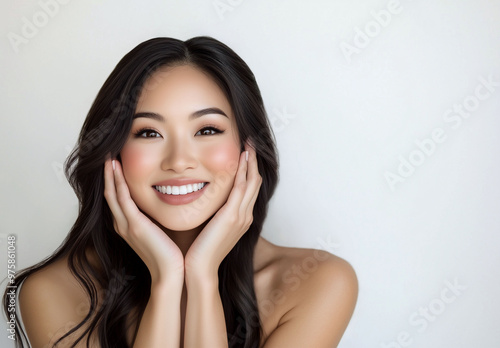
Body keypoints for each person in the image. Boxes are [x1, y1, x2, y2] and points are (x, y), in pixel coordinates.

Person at [3, 36, 358, 348]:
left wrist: (202, 276)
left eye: (206, 130)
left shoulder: (317, 282)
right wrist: (167, 280)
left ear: (248, 149)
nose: (179, 161)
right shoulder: (53, 292)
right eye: (148, 133)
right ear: (113, 154)